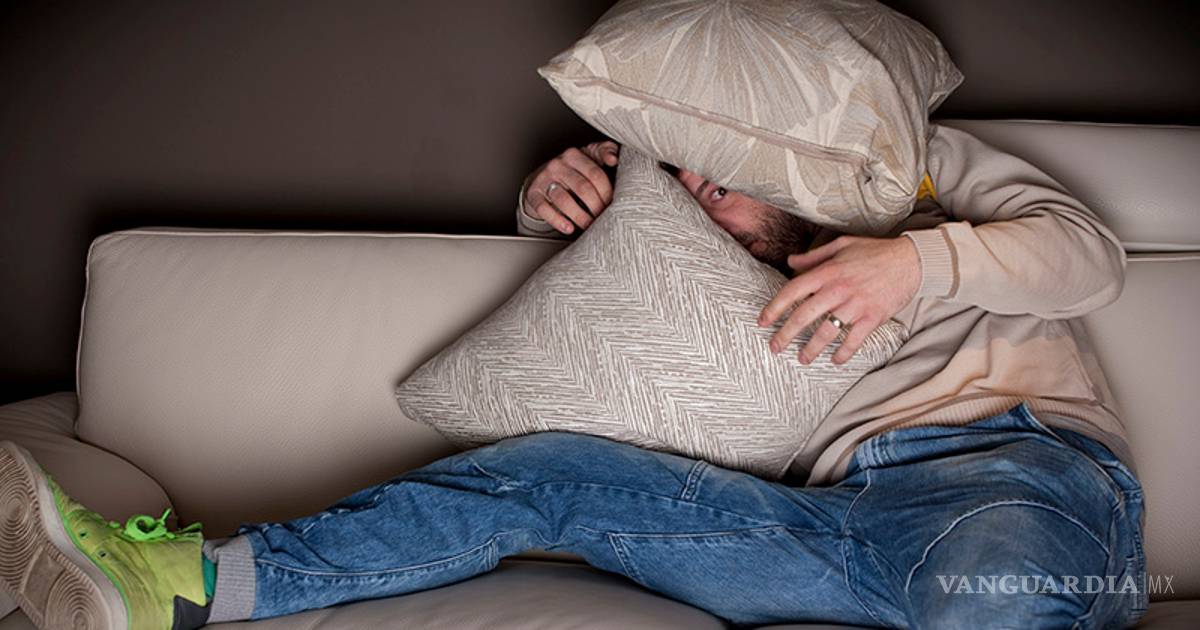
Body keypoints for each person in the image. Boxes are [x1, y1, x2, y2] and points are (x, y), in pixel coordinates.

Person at [0, 128, 1146, 629]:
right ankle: (179, 588)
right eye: (680, 180)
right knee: (538, 473)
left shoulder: (909, 173)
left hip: (1005, 476)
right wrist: (551, 201)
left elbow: (1091, 258)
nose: (695, 198)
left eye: (718, 177)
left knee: (986, 597)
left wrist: (914, 263)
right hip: (816, 525)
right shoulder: (707, 253)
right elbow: (608, 316)